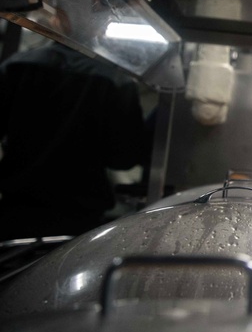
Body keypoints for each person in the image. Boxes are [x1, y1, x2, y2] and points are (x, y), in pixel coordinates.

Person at [0, 38, 148, 239]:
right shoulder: (115, 81)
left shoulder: (16, 65)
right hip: (78, 214)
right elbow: (124, 159)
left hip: (17, 208)